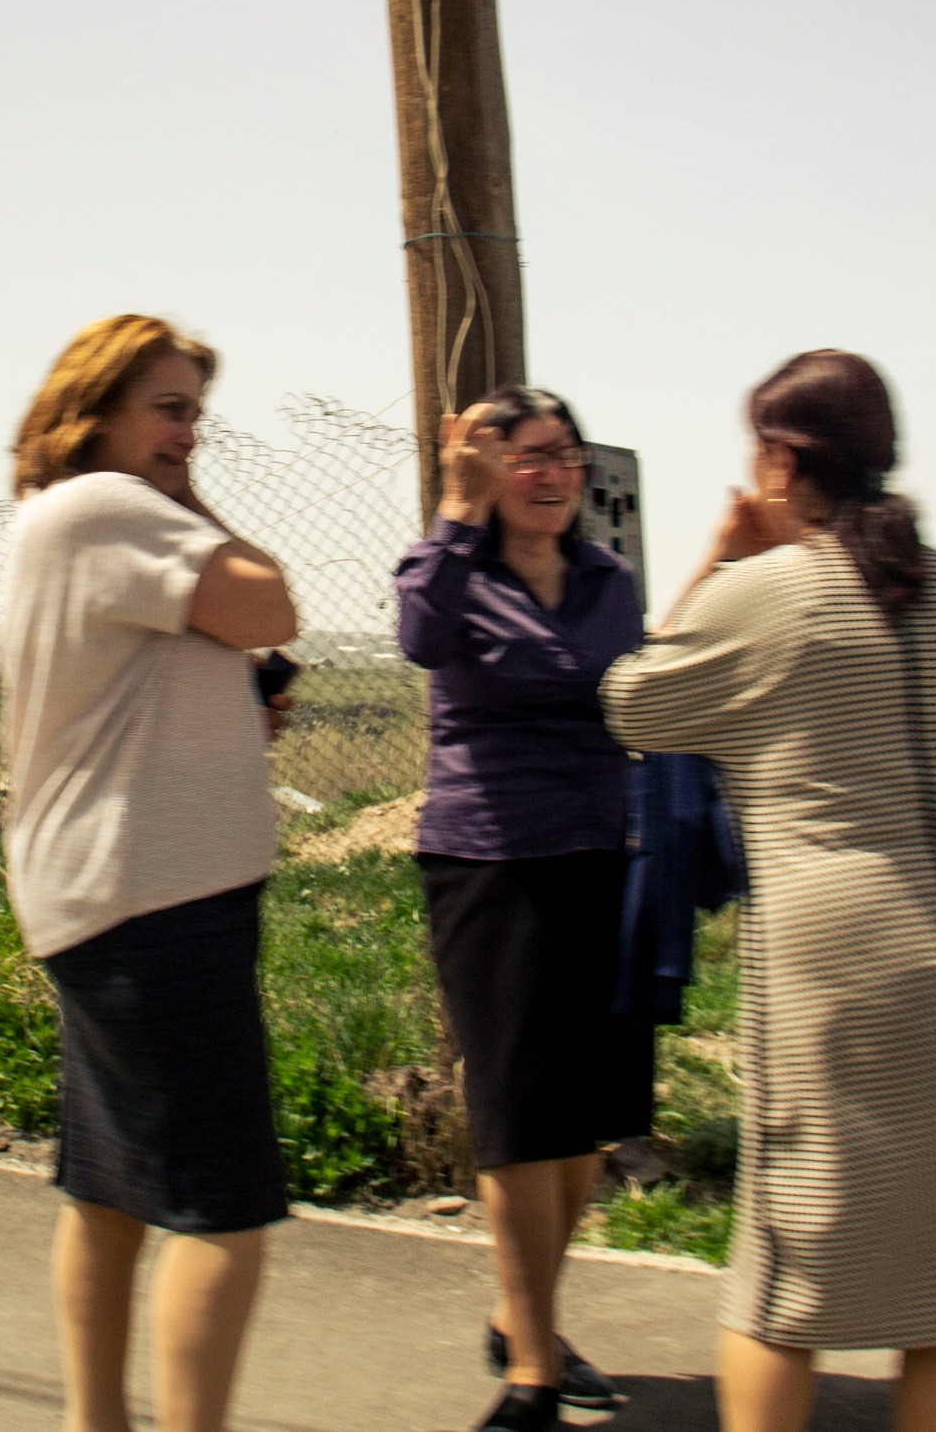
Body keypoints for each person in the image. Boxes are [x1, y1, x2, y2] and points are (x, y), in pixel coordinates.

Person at [599, 350, 936, 1432]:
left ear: (779, 463)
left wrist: (719, 559)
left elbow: (634, 706)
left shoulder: (764, 599)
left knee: (786, 1280)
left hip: (852, 977)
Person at [0, 314, 299, 1432]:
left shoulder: (65, 522)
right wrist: (192, 503)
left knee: (111, 1187)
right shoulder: (107, 506)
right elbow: (268, 600)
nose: (188, 438)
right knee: (222, 1211)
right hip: (155, 905)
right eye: (168, 411)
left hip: (110, 899)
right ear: (96, 413)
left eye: (194, 416)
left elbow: (168, 664)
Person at [393, 387, 653, 1432]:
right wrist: (456, 515)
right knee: (514, 1112)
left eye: (565, 456)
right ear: (485, 469)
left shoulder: (608, 581)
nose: (549, 474)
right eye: (526, 455)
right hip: (489, 861)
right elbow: (417, 638)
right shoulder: (447, 569)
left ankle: (521, 1315)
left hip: (601, 851)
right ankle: (534, 1373)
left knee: (584, 1122)